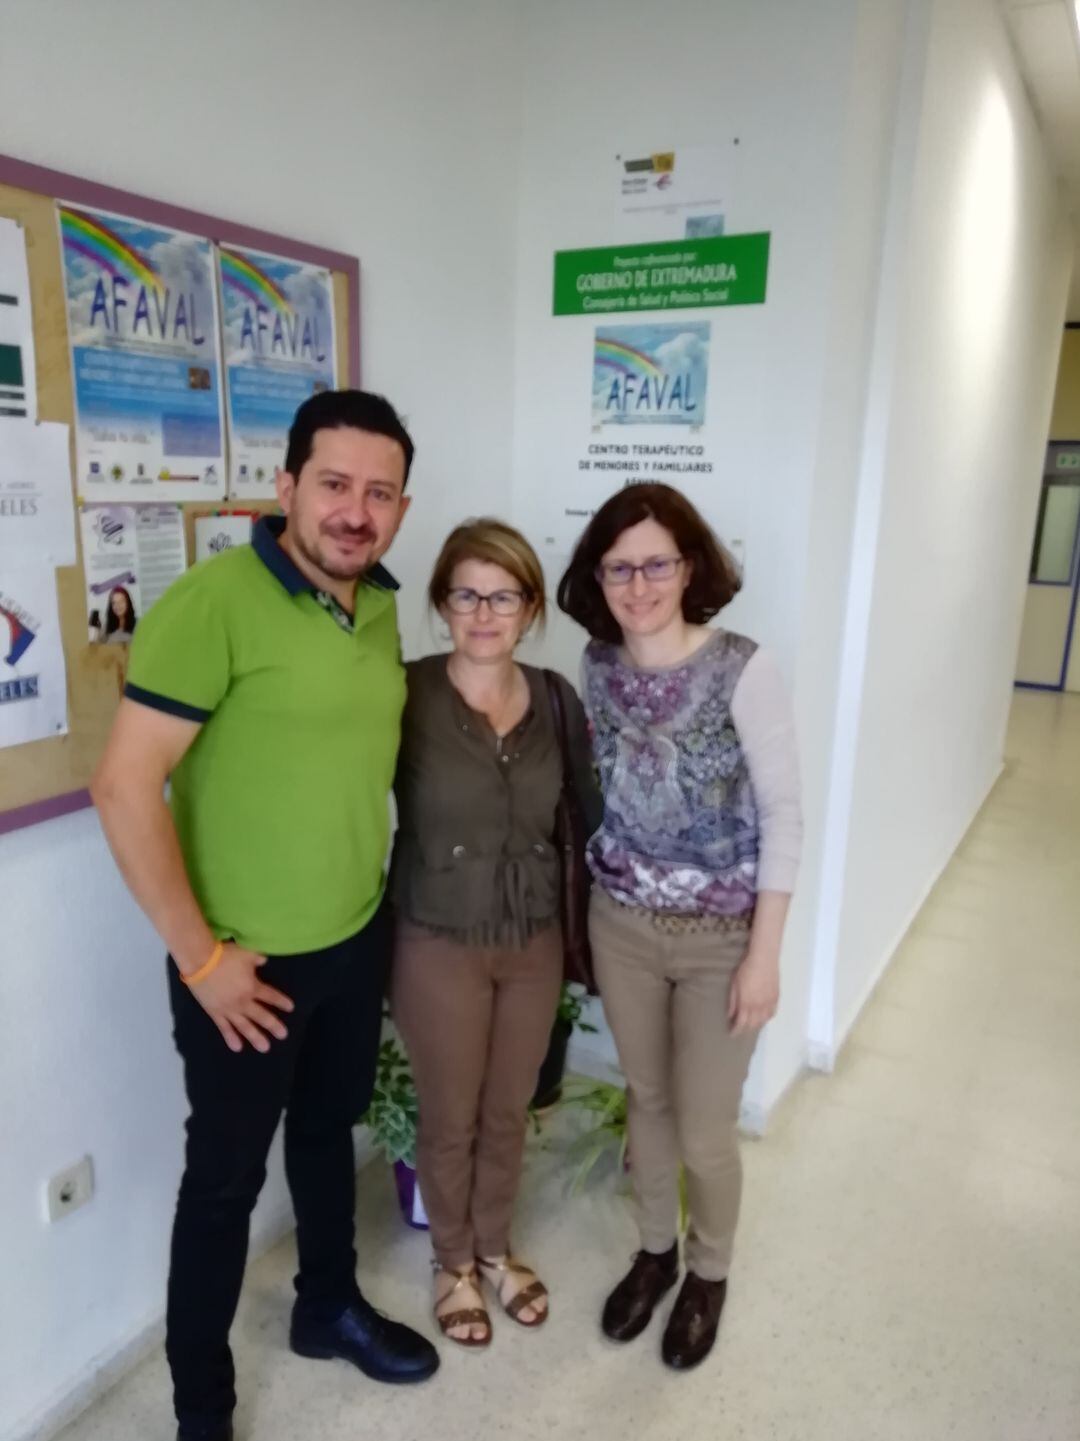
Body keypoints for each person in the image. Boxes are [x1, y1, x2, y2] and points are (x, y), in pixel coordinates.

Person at [91, 390, 440, 1441]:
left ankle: (325, 1305)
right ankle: (203, 1405)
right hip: (241, 964)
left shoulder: (377, 605)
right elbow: (123, 785)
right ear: (285, 486)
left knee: (329, 1134)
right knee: (224, 1184)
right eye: (334, 484)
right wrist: (202, 961)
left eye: (379, 493)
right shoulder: (212, 602)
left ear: (402, 509)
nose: (355, 510)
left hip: (350, 931)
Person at [557, 483, 802, 1372]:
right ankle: (655, 1251)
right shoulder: (596, 663)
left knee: (705, 1128)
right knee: (648, 1102)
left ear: (689, 565)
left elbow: (785, 816)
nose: (638, 583)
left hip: (718, 939)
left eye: (656, 562)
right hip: (620, 921)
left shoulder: (743, 667)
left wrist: (764, 957)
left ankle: (709, 1272)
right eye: (618, 567)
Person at [390, 519, 598, 1348]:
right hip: (437, 935)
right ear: (442, 603)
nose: (484, 611)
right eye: (466, 593)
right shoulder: (405, 694)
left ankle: (494, 1247)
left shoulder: (556, 697)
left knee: (510, 1107)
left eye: (502, 594)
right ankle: (452, 1264)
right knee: (450, 1112)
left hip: (534, 938)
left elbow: (589, 815)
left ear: (530, 606)